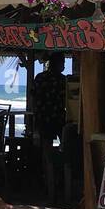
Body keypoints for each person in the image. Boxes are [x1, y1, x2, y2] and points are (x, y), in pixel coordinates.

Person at [32, 53, 69, 201]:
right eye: (63, 63)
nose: (64, 66)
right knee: (66, 154)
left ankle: (49, 188)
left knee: (46, 155)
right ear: (57, 64)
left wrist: (36, 119)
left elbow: (34, 99)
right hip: (59, 119)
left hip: (43, 119)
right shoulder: (62, 80)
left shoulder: (40, 78)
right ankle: (61, 185)